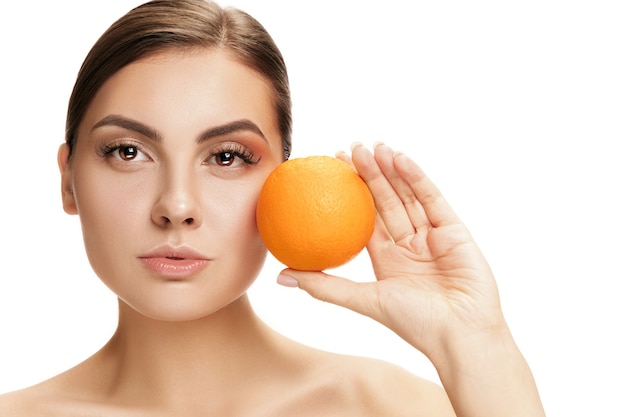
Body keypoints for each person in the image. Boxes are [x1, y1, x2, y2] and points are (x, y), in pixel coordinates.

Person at [0, 0, 545, 415]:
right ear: (69, 180)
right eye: (128, 151)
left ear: (282, 181)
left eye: (227, 156)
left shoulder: (387, 407)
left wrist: (474, 344)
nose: (178, 206)